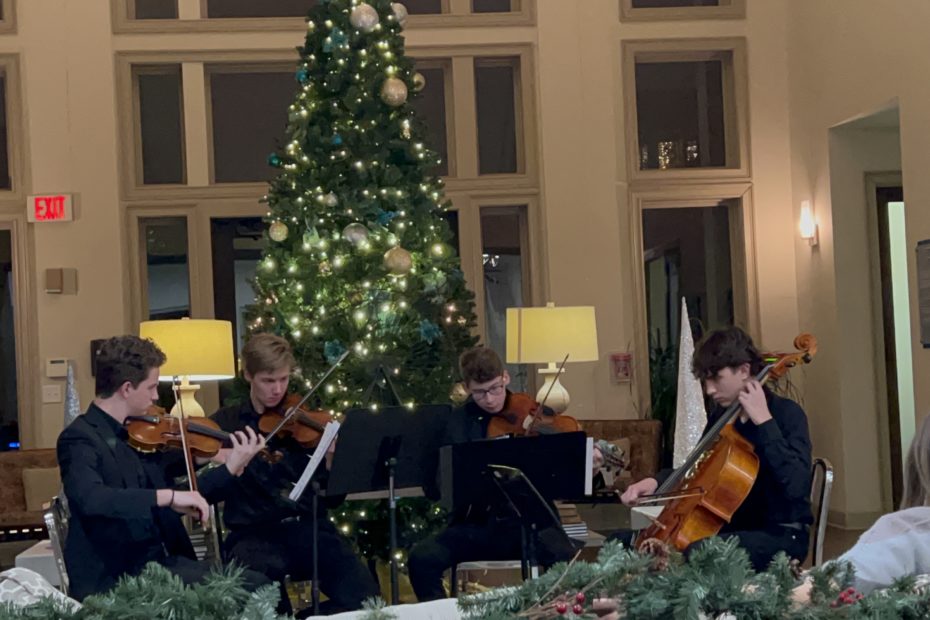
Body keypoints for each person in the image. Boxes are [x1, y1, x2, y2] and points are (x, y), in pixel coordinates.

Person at [57, 335, 270, 601]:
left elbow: (180, 487)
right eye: (152, 387)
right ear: (126, 388)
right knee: (256, 589)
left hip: (159, 564)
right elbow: (92, 498)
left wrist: (222, 463)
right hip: (117, 576)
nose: (156, 396)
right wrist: (167, 497)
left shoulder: (135, 433)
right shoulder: (79, 438)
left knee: (259, 584)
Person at [408, 346, 601, 601]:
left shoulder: (530, 413)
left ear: (505, 377)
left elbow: (569, 476)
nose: (489, 399)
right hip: (476, 526)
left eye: (495, 388)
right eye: (480, 392)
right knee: (421, 558)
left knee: (566, 563)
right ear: (466, 387)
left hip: (533, 523)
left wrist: (588, 464)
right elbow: (437, 485)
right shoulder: (457, 423)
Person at [209, 333, 379, 616]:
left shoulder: (304, 422)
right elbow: (207, 490)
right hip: (252, 534)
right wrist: (223, 460)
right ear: (248, 375)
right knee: (266, 607)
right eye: (268, 380)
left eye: (283, 379)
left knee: (367, 598)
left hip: (308, 527)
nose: (277, 390)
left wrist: (331, 463)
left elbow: (332, 500)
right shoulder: (226, 423)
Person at [621, 326, 813, 571]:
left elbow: (797, 486)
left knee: (698, 553)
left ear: (744, 370)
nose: (709, 389)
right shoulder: (722, 417)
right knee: (624, 542)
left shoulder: (787, 414)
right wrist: (656, 482)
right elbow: (696, 470)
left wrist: (764, 422)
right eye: (705, 380)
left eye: (716, 378)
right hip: (730, 530)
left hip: (781, 534)